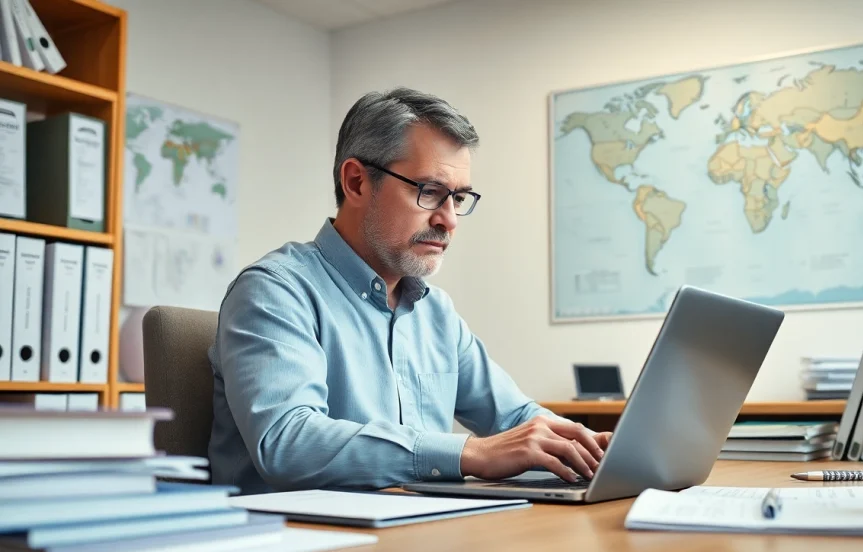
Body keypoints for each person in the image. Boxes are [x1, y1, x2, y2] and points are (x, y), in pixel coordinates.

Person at [208, 87, 611, 494]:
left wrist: (590, 447)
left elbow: (516, 419)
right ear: (357, 183)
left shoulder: (435, 312)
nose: (449, 220)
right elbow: (287, 442)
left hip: (414, 533)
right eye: (430, 192)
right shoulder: (274, 291)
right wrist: (469, 453)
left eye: (459, 197)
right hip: (300, 542)